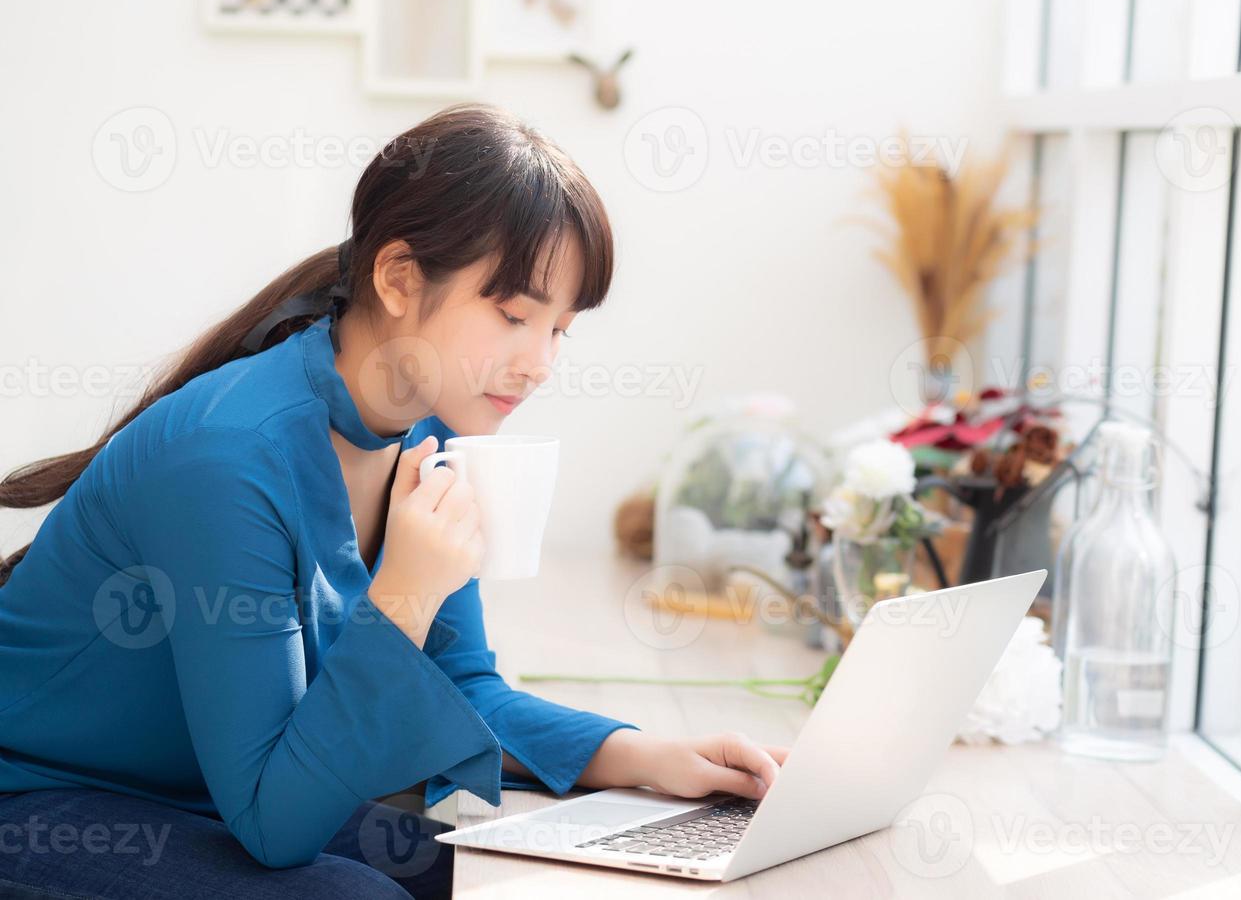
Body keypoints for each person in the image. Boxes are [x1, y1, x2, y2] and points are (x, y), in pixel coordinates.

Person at [0, 103, 787, 898]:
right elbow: (275, 827)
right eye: (515, 315)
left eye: (560, 330)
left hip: (201, 787)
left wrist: (651, 756)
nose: (541, 362)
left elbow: (462, 684)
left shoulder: (429, 432)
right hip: (40, 797)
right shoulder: (229, 459)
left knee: (441, 859)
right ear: (399, 278)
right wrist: (407, 589)